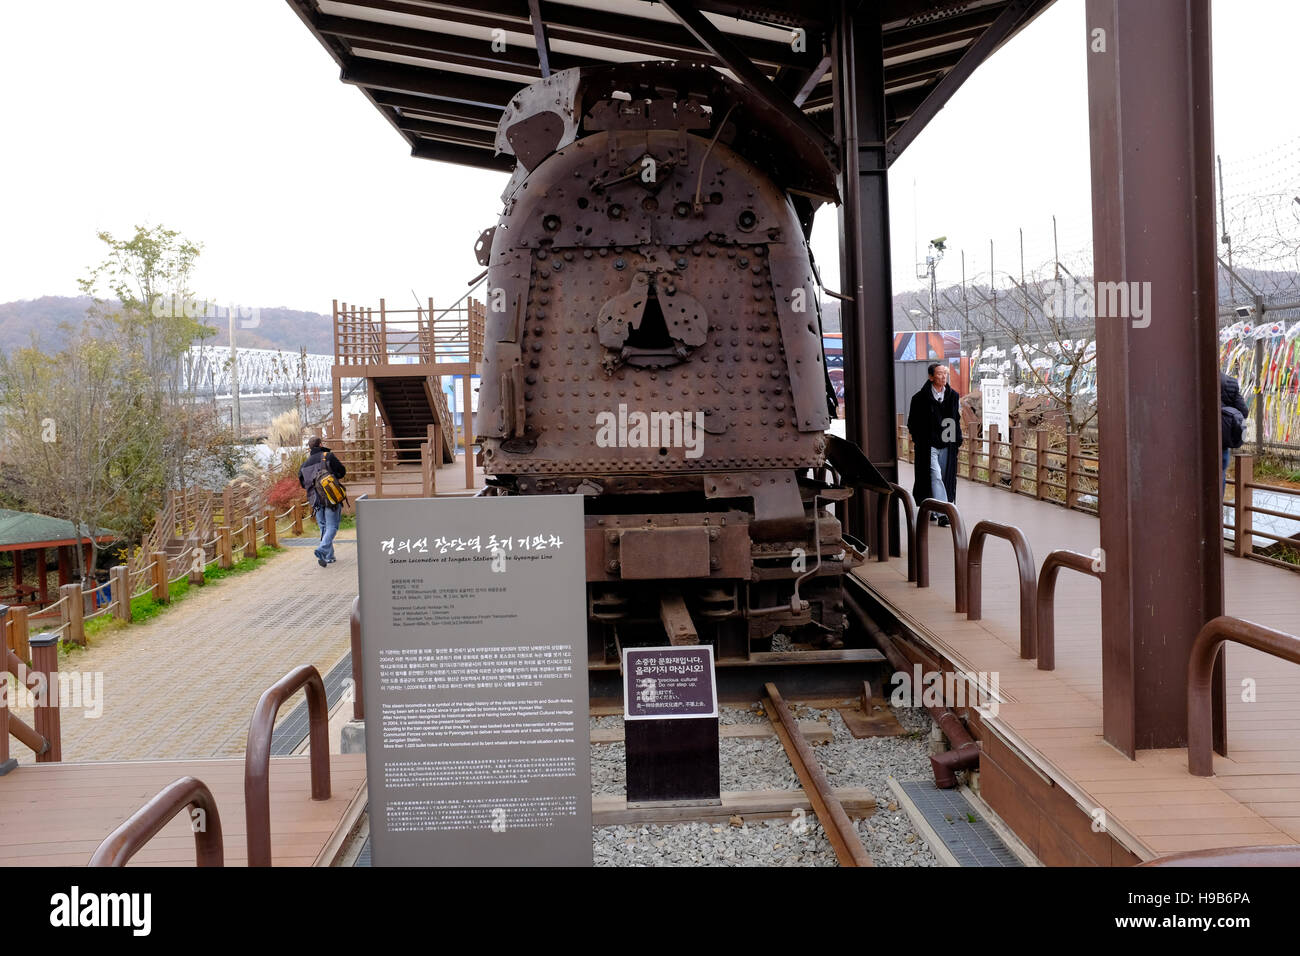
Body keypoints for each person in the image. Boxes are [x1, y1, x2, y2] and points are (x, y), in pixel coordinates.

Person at [907, 362, 963, 527]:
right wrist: (920, 440)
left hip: (947, 444)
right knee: (935, 476)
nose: (943, 377)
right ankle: (944, 513)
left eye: (945, 373)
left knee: (944, 478)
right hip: (928, 446)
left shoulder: (953, 396)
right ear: (931, 377)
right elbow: (913, 423)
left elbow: (955, 420)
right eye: (939, 374)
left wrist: (956, 441)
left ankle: (930, 507)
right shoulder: (919, 398)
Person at [298, 436, 347, 568]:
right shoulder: (328, 456)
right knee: (332, 527)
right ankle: (322, 550)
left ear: (310, 447)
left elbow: (303, 483)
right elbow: (342, 471)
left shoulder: (305, 464)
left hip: (315, 500)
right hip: (330, 497)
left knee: (324, 527)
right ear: (320, 444)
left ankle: (329, 556)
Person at [1220, 371, 1249, 499]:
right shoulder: (1229, 382)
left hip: (1193, 444)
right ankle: (1217, 512)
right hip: (1220, 444)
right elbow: (1244, 411)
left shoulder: (1193, 378)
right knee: (1219, 475)